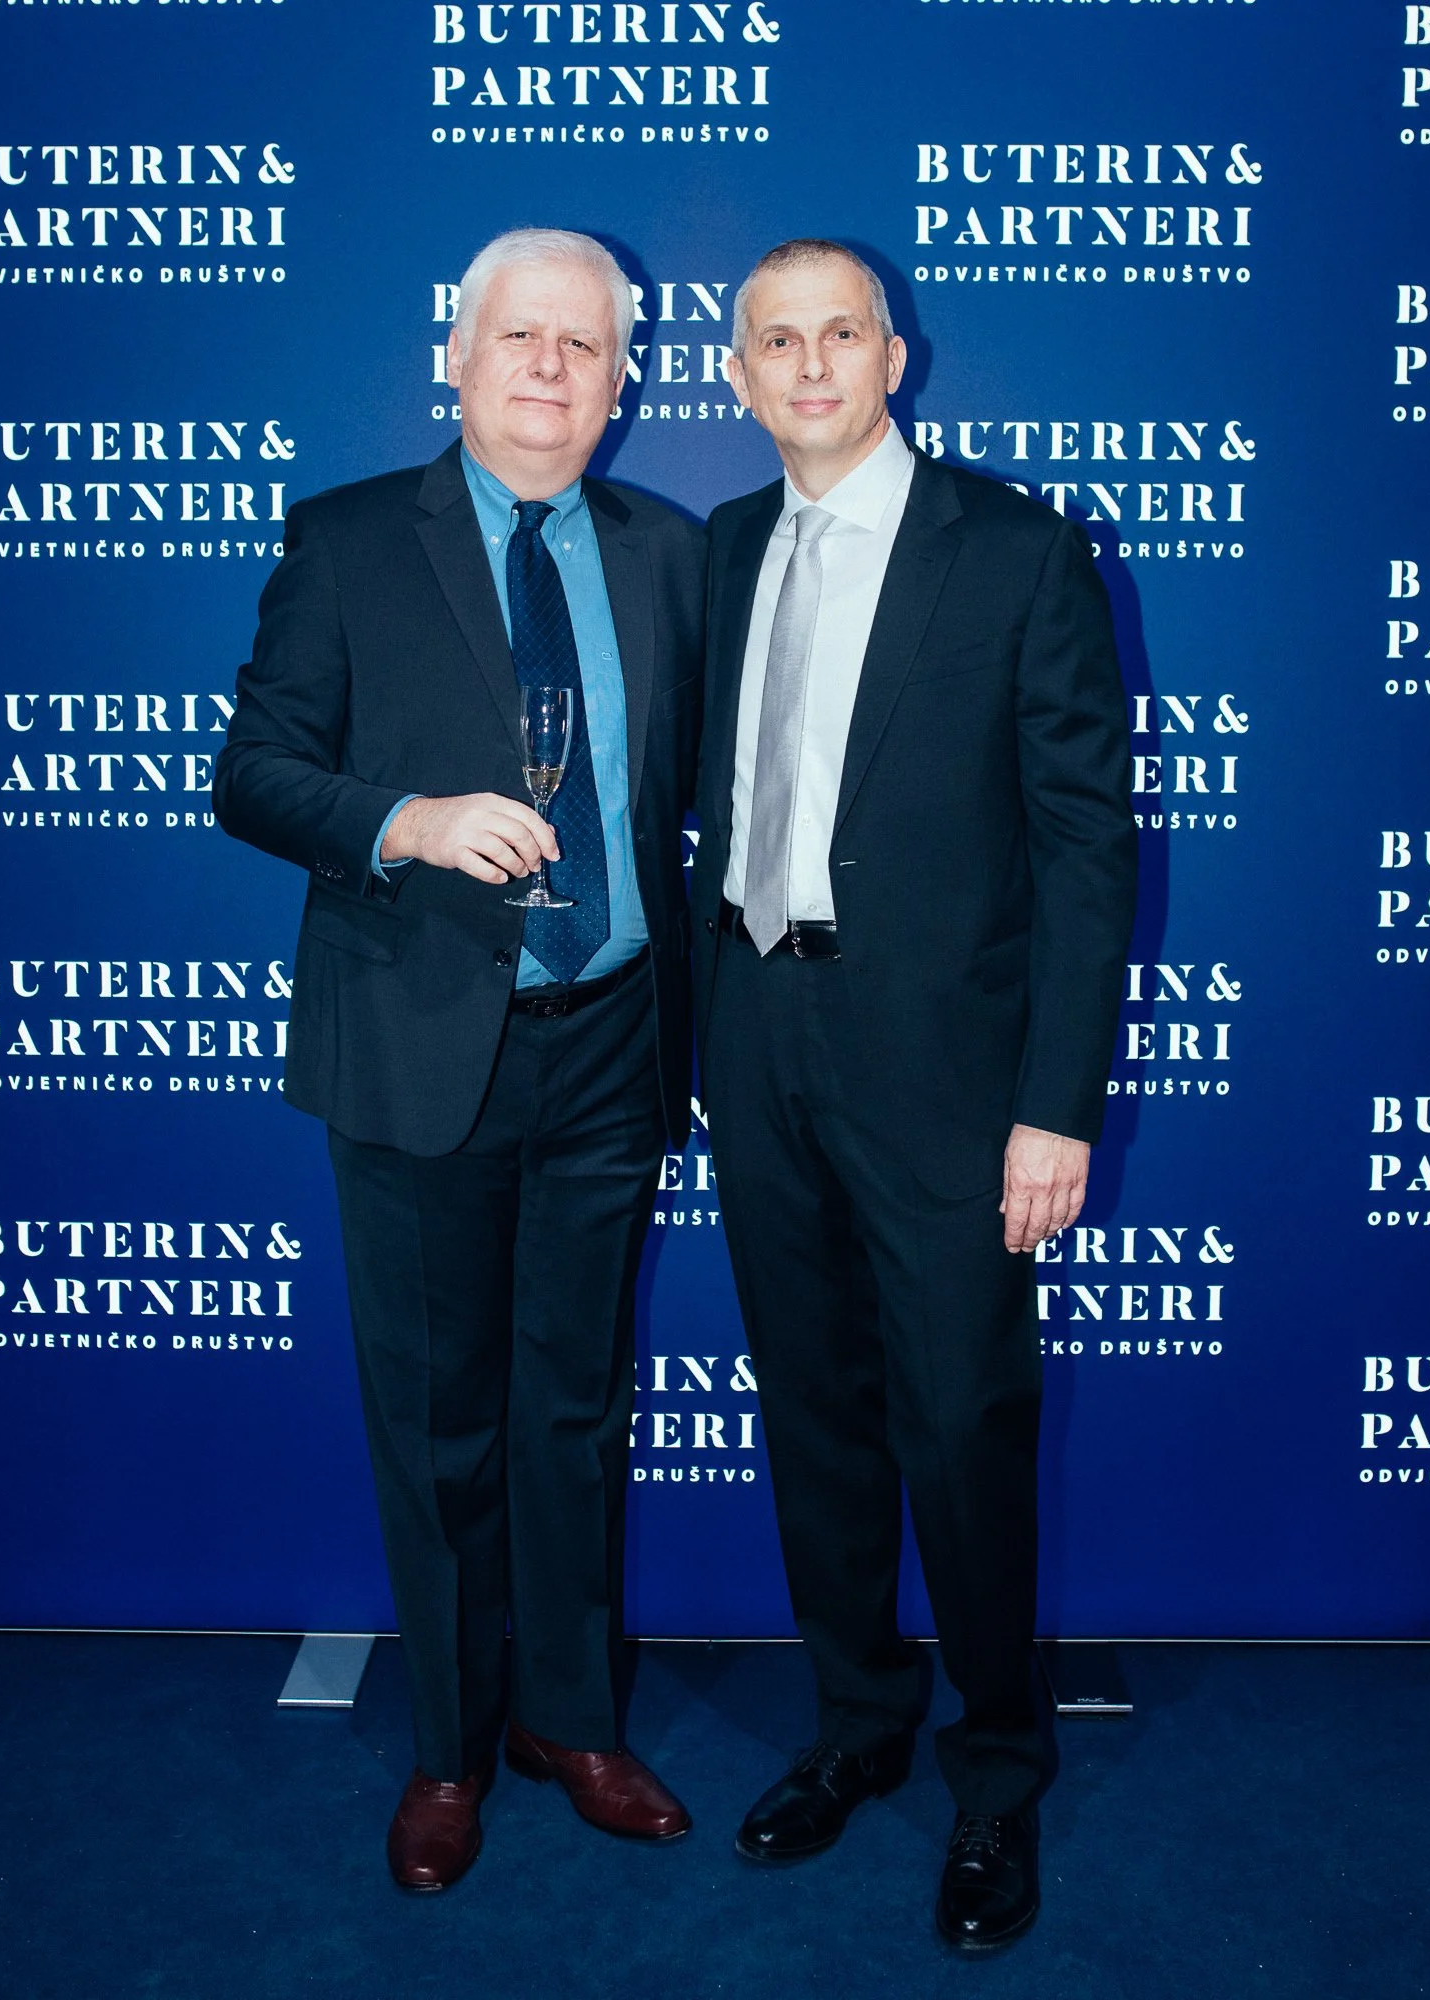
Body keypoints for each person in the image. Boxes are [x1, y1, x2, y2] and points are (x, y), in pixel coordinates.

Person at [215, 227, 705, 1892]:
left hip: (613, 1040)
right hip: (422, 1050)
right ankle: (446, 1745)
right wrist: (404, 822)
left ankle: (570, 1719)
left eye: (586, 346)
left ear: (626, 380)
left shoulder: (672, 554)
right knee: (439, 1422)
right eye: (520, 338)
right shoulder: (350, 539)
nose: (552, 370)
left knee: (572, 1408)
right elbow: (254, 773)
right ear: (458, 355)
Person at [691, 239, 1135, 1951]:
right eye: (774, 340)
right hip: (761, 1035)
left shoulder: (1017, 551)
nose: (809, 365)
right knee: (814, 1414)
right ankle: (857, 1728)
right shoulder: (731, 548)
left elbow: (1088, 852)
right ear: (736, 375)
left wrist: (1056, 1102)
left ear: (898, 356)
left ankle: (999, 1779)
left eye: (840, 335)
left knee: (960, 1430)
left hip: (952, 1079)